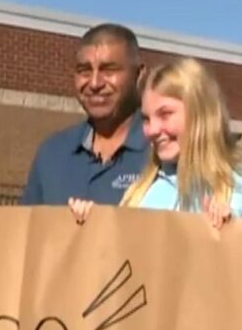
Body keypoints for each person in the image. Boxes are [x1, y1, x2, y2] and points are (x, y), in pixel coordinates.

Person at [69, 58, 242, 226]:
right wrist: (90, 226)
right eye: (147, 119)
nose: (152, 130)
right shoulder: (142, 191)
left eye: (165, 114)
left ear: (200, 114)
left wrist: (232, 237)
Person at [21, 23, 149, 205]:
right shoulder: (52, 153)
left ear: (138, 74)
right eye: (84, 71)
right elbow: (29, 230)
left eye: (109, 70)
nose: (95, 83)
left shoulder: (163, 152)